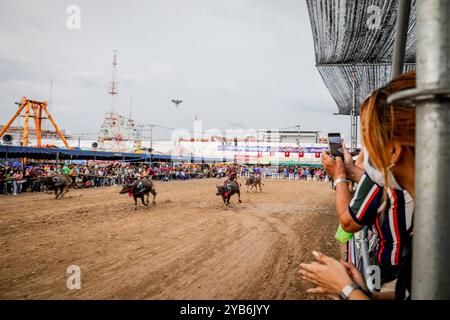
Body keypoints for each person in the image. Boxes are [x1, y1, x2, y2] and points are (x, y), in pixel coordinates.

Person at [299, 71, 416, 300]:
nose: (365, 153)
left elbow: (348, 221)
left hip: (387, 266)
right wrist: (366, 294)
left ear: (393, 151)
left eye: (368, 142)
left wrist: (346, 290)